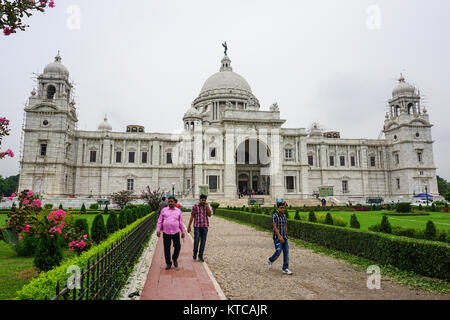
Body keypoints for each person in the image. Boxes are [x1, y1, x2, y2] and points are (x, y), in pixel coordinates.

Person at [156, 196, 185, 270]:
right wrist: (158, 230)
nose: (170, 203)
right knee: (166, 248)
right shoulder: (164, 210)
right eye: (169, 201)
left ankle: (174, 258)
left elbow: (181, 222)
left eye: (172, 201)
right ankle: (168, 263)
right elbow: (160, 221)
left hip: (175, 232)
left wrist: (183, 231)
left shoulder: (178, 211)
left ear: (175, 203)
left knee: (178, 247)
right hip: (166, 232)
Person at [267, 200, 292, 275]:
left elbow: (285, 225)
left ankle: (285, 268)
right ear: (278, 208)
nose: (283, 209)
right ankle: (270, 260)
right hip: (277, 237)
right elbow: (275, 227)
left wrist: (286, 234)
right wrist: (279, 236)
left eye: (283, 208)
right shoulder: (275, 216)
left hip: (284, 237)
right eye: (281, 208)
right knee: (278, 252)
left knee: (286, 252)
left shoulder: (284, 216)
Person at [187, 194, 212, 262]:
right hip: (197, 226)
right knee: (196, 240)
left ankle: (200, 256)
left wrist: (207, 207)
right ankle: (195, 252)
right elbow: (192, 216)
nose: (203, 201)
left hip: (204, 226)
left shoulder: (207, 206)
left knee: (203, 242)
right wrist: (189, 225)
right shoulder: (195, 206)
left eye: (204, 200)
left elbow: (209, 215)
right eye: (202, 200)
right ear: (199, 200)